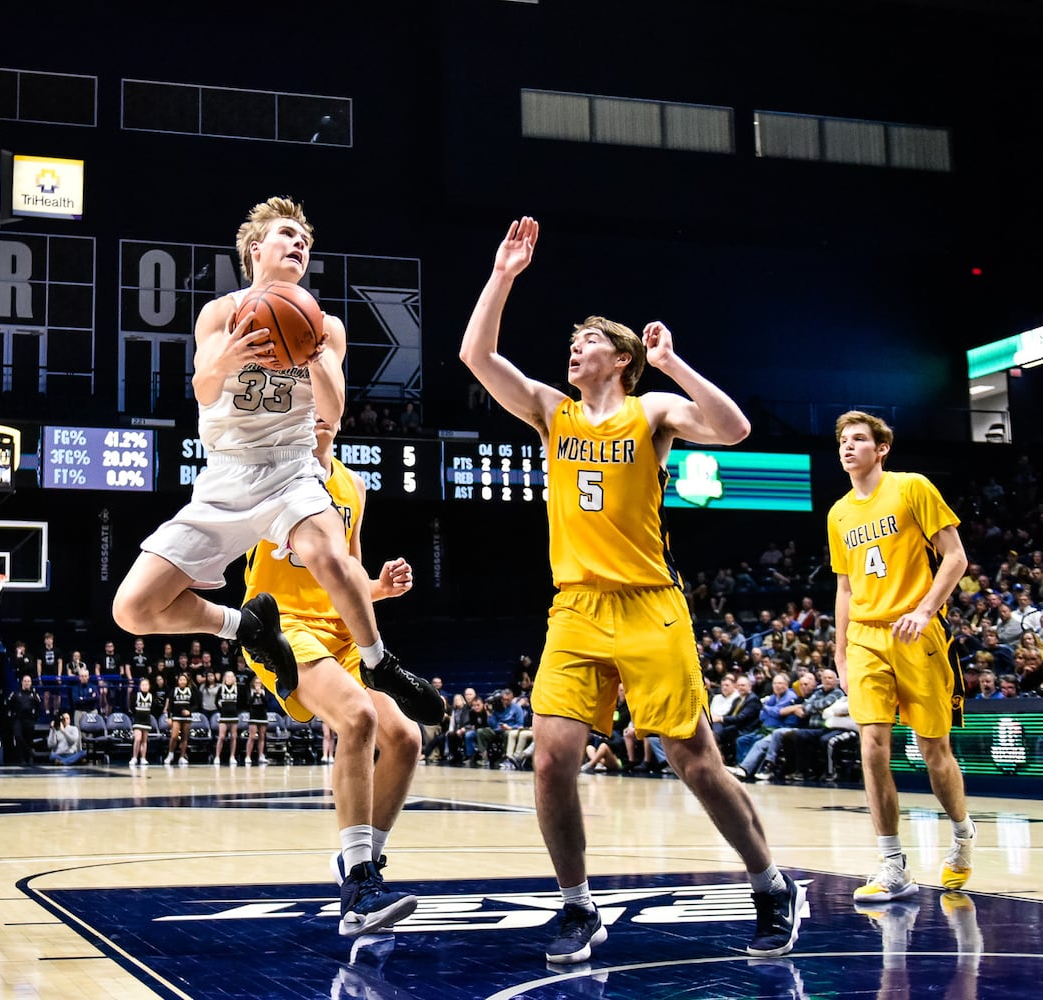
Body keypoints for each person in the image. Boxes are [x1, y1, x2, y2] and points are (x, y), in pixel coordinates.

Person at [458, 216, 804, 962]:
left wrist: (673, 363)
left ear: (617, 357)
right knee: (550, 759)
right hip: (576, 607)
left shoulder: (651, 413)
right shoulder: (553, 413)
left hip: (649, 604)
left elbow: (735, 428)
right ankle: (578, 908)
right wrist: (503, 276)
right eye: (572, 342)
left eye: (586, 340)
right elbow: (476, 354)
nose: (572, 347)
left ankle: (770, 882)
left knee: (696, 762)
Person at [111, 196, 440, 732]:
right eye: (288, 235)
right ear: (256, 250)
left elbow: (333, 409)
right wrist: (229, 357)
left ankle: (380, 664)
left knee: (328, 553)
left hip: (290, 467)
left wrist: (312, 354)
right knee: (134, 609)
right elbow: (201, 386)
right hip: (225, 473)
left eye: (305, 241)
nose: (299, 245)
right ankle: (245, 627)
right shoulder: (221, 312)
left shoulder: (324, 325)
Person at [242, 413, 423, 937]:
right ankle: (359, 889)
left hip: (339, 635)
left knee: (405, 737)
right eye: (309, 396)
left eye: (330, 399)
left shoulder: (353, 485)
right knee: (358, 715)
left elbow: (350, 578)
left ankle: (361, 863)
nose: (319, 409)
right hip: (282, 627)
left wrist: (380, 589)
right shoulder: (270, 468)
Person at [828, 411, 977, 903]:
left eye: (858, 440)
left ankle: (961, 836)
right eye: (843, 441)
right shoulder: (839, 513)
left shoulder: (912, 487)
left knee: (934, 751)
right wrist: (840, 652)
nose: (848, 447)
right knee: (872, 743)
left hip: (919, 632)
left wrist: (925, 608)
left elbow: (955, 557)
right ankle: (893, 864)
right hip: (866, 638)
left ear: (882, 448)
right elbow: (845, 587)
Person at [129, 677, 155, 766]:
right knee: (137, 739)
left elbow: (153, 708)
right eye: (143, 685)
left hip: (146, 720)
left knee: (144, 740)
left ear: (149, 686)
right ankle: (134, 757)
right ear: (140, 686)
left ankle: (143, 758)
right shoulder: (136, 696)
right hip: (138, 720)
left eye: (146, 685)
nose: (144, 686)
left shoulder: (151, 696)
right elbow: (132, 707)